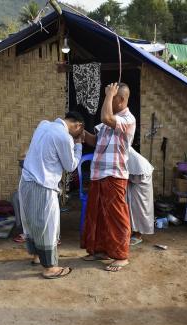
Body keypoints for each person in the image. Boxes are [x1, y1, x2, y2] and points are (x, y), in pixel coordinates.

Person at [19, 112, 84, 279]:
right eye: (80, 131)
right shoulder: (64, 137)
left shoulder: (43, 125)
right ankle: (50, 268)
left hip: (26, 181)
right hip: (43, 185)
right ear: (77, 126)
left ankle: (36, 256)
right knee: (48, 226)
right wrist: (78, 146)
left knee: (32, 222)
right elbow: (70, 166)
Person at [81, 82, 136, 272]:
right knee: (98, 216)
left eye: (112, 97)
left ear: (120, 100)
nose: (109, 100)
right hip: (99, 174)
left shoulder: (128, 119)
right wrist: (80, 131)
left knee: (117, 216)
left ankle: (121, 256)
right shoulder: (109, 121)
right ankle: (101, 250)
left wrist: (108, 94)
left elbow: (105, 117)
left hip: (114, 174)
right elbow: (95, 142)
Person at [126, 147, 154, 245]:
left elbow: (136, 177)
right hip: (135, 180)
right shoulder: (127, 153)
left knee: (139, 208)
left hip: (140, 182)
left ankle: (138, 234)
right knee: (132, 207)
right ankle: (133, 231)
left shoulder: (135, 159)